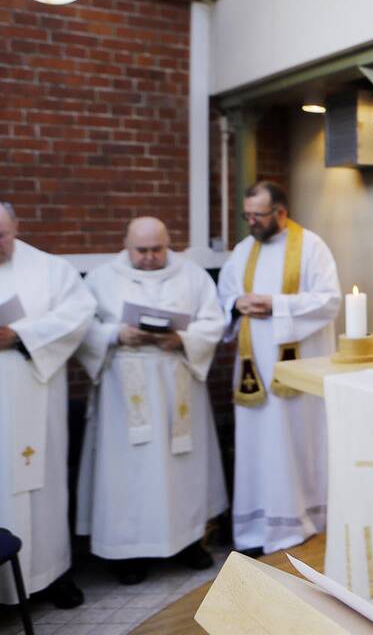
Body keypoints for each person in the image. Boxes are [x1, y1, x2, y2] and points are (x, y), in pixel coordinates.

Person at [75, 217, 228, 584]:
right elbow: (81, 327)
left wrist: (182, 339)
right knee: (128, 472)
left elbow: (214, 321)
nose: (148, 257)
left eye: (156, 249)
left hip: (177, 383)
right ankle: (129, 552)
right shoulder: (101, 278)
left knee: (183, 466)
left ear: (167, 243)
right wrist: (116, 334)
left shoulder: (192, 275)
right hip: (123, 390)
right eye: (141, 250)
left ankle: (188, 541)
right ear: (126, 245)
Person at [217, 181, 340, 554]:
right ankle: (256, 529)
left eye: (258, 215)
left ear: (281, 212)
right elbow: (225, 295)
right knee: (257, 446)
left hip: (298, 369)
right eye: (247, 215)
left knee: (295, 442)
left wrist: (276, 305)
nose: (251, 222)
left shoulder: (312, 247)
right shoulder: (243, 250)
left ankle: (303, 520)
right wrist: (237, 304)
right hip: (254, 369)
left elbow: (329, 300)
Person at [0, 202, 96, 609]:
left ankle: (52, 574)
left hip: (36, 394)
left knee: (44, 487)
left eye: (1, 235)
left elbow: (78, 315)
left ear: (16, 227)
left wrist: (20, 335)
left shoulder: (52, 270)